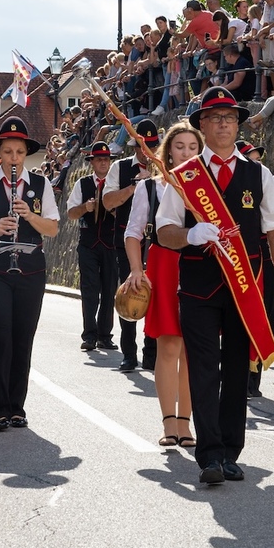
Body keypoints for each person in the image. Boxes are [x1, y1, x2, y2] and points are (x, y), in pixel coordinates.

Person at [156, 88, 274, 485]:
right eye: (215, 117)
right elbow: (164, 231)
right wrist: (190, 234)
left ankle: (231, 452)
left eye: (230, 118)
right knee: (202, 369)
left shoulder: (259, 174)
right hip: (198, 285)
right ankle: (210, 454)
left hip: (244, 284)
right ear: (202, 124)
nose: (223, 124)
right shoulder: (185, 176)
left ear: (238, 125)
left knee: (237, 369)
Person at [0, 116, 60, 431]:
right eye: (8, 152)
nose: (14, 158)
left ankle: (17, 406)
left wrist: (29, 215)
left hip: (30, 268)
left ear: (26, 154)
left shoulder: (41, 185)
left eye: (19, 152)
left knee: (22, 337)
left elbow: (52, 228)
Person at [123, 121, 203, 447]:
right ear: (168, 151)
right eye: (179, 146)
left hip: (201, 266)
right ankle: (169, 423)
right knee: (169, 346)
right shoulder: (150, 187)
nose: (186, 152)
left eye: (193, 147)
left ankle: (186, 423)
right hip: (164, 265)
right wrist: (136, 270)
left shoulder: (209, 187)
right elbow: (133, 232)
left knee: (194, 350)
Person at [101, 121, 162, 372]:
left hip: (158, 244)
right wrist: (135, 187)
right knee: (130, 293)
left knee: (156, 297)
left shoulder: (165, 169)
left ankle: (151, 352)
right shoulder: (120, 167)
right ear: (134, 147)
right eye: (142, 147)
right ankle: (128, 353)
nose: (147, 152)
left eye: (152, 146)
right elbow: (107, 202)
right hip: (129, 242)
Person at [67, 141, 119, 351]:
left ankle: (105, 335)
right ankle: (89, 335)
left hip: (111, 243)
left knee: (109, 290)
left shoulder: (116, 184)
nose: (103, 163)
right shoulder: (83, 184)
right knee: (89, 290)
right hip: (88, 244)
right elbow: (71, 213)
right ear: (92, 162)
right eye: (99, 160)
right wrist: (85, 207)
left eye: (106, 159)